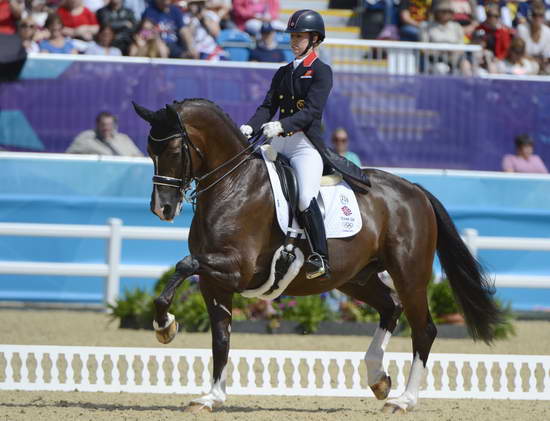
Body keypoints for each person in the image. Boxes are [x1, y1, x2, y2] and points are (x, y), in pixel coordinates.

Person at [240, 10, 370, 280]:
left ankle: (320, 256)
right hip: (277, 141)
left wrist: (284, 125)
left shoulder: (322, 72)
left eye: (299, 37)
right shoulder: (283, 72)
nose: (293, 41)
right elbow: (267, 107)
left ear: (315, 40)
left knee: (304, 196)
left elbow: (311, 111)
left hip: (304, 146)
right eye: (292, 36)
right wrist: (250, 126)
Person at [66, 111, 143, 156]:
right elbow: (69, 157)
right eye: (103, 125)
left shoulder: (123, 139)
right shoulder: (87, 139)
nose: (106, 128)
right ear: (97, 125)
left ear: (114, 125)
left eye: (109, 125)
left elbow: (138, 157)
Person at [516, 1, 550, 73]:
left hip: (542, 64)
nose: (537, 18)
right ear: (530, 16)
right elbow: (519, 53)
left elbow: (546, 56)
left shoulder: (547, 32)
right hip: (523, 63)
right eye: (535, 15)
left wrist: (542, 62)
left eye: (540, 15)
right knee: (529, 66)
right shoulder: (522, 29)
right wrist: (535, 61)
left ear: (544, 17)